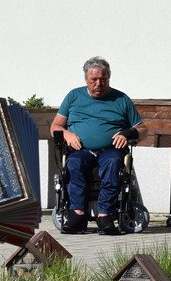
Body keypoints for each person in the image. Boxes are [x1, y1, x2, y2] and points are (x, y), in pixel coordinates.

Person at [50, 56, 146, 234]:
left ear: (109, 77)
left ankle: (105, 215)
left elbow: (142, 130)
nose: (98, 84)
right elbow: (55, 126)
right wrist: (67, 134)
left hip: (110, 150)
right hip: (81, 150)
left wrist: (127, 133)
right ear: (86, 79)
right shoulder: (73, 96)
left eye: (103, 79)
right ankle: (77, 214)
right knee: (74, 164)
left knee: (113, 164)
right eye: (93, 79)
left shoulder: (121, 99)